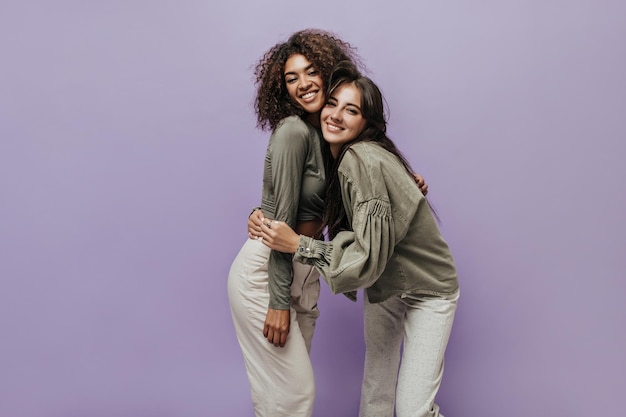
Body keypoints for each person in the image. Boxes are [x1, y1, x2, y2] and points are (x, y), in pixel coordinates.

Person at [258, 61, 459, 417]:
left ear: (367, 123)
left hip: (427, 290)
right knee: (375, 399)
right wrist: (260, 212)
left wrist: (298, 245)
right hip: (385, 287)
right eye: (332, 103)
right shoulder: (339, 156)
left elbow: (366, 258)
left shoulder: (360, 158)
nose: (335, 115)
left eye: (351, 110)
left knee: (413, 410)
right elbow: (309, 199)